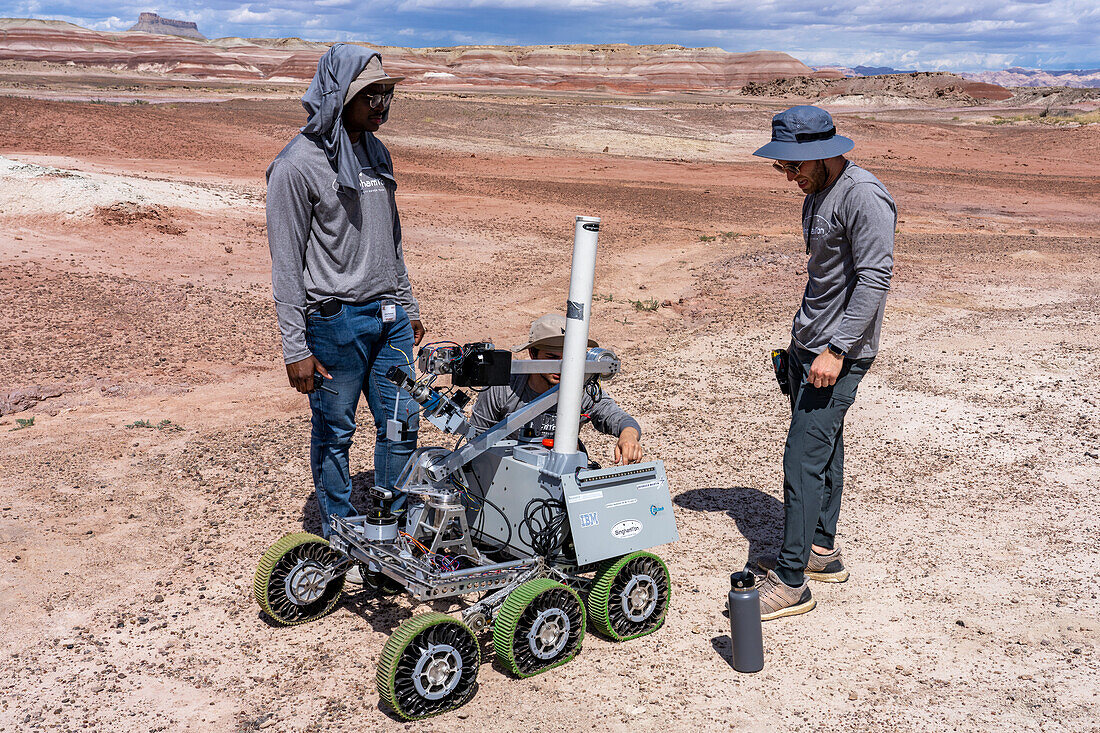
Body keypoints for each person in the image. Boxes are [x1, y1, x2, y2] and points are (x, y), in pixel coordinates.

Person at [266, 44, 425, 560]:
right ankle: (339, 534)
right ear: (339, 95)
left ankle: (393, 528)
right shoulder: (296, 167)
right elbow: (287, 264)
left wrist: (408, 305)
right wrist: (294, 346)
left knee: (401, 424)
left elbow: (392, 239)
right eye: (370, 95)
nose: (381, 106)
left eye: (387, 95)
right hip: (335, 326)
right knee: (335, 432)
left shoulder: (377, 153)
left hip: (390, 320)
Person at [751, 106, 895, 620]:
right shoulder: (817, 194)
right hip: (808, 348)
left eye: (794, 166)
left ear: (824, 152)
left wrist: (837, 350)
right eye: (782, 168)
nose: (789, 177)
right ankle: (820, 552)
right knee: (824, 449)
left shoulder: (864, 197)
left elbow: (875, 278)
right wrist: (803, 346)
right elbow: (826, 278)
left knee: (802, 458)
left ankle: (792, 581)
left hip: (839, 353)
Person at [469, 314, 644, 465]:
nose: (561, 368)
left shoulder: (583, 389)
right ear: (532, 354)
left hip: (561, 473)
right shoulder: (502, 388)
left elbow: (618, 418)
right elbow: (476, 439)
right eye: (552, 359)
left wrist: (628, 436)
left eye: (568, 359)